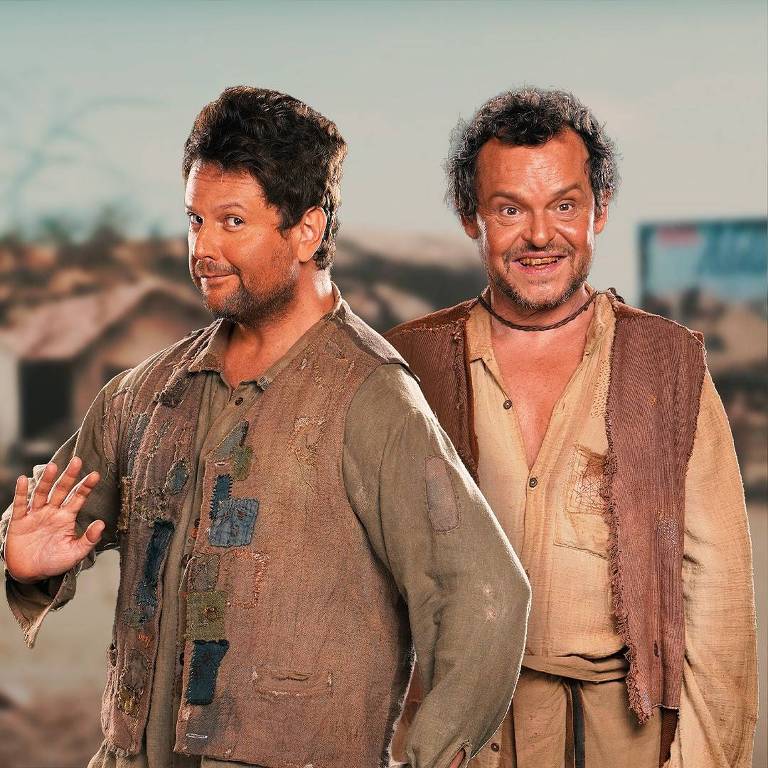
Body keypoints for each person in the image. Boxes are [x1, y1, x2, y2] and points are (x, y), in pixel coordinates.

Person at [0, 86, 531, 768]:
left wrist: (432, 755)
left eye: (232, 222)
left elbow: (484, 596)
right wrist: (25, 563)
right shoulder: (142, 395)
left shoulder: (373, 400)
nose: (204, 249)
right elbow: (52, 525)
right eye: (194, 220)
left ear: (306, 230)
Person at [386, 88, 757, 768]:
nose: (539, 235)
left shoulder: (665, 363)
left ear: (600, 211)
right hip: (459, 735)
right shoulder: (407, 364)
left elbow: (721, 592)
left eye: (564, 205)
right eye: (509, 208)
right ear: (472, 218)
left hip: (630, 734)